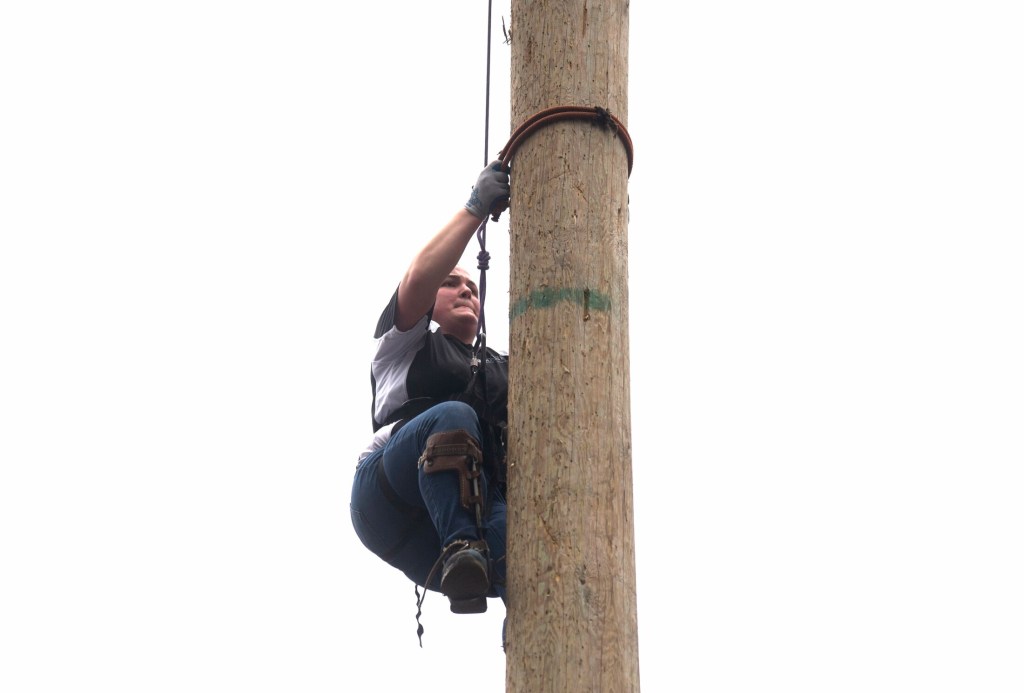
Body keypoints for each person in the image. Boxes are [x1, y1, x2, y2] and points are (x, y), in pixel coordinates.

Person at [349, 161, 511, 640]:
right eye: (453, 284)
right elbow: (419, 277)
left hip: (447, 526)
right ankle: (462, 545)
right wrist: (476, 208)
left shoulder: (503, 368)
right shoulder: (405, 345)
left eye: (473, 288)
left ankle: (523, 617)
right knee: (455, 416)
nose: (465, 291)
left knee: (520, 551)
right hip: (388, 496)